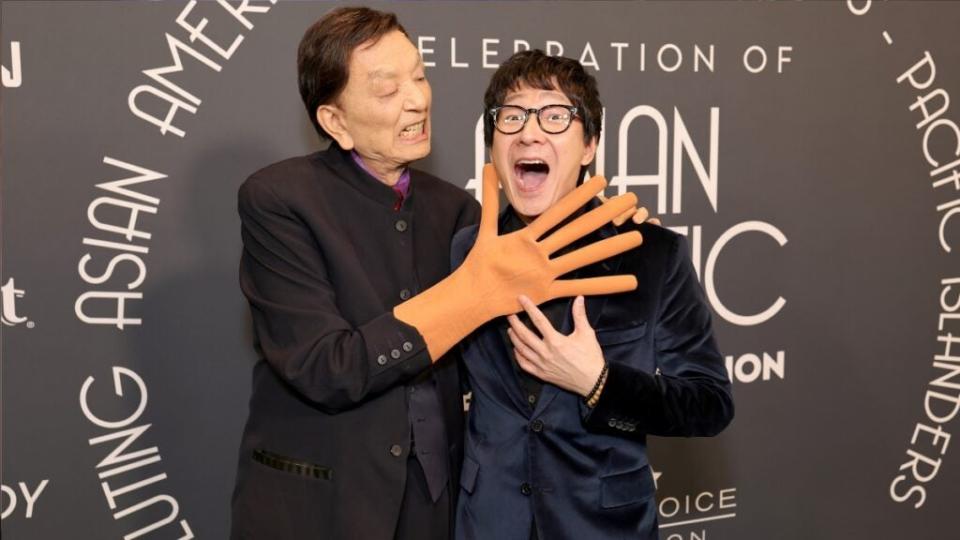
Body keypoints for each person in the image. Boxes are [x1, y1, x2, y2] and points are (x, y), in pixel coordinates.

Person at [230, 8, 642, 540]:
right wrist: (471, 295)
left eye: (420, 76)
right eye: (387, 89)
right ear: (335, 121)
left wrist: (608, 225)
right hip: (321, 505)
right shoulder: (279, 200)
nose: (418, 99)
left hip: (437, 506)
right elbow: (326, 368)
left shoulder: (460, 212)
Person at [452, 50, 735, 540]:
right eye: (512, 116)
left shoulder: (651, 255)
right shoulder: (466, 251)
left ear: (590, 146)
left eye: (555, 116)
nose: (529, 132)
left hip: (604, 526)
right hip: (488, 523)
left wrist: (598, 382)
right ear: (493, 144)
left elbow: (710, 404)